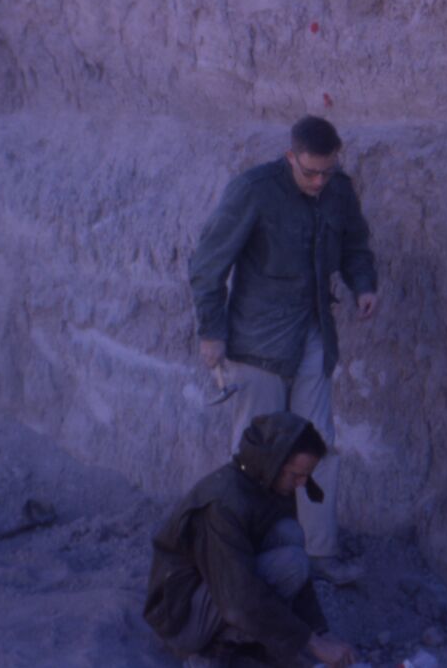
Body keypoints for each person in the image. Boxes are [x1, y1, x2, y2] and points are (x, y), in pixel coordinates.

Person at [189, 115, 378, 584]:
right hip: (257, 343)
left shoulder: (338, 189)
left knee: (320, 445)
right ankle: (238, 559)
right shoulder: (253, 190)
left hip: (314, 333)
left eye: (326, 172)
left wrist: (364, 284)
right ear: (290, 156)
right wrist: (211, 331)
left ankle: (320, 553)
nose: (318, 182)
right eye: (309, 172)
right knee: (253, 456)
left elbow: (355, 242)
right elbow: (207, 264)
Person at [144, 412, 359, 668]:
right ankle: (215, 647)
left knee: (290, 534)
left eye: (306, 476)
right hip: (182, 617)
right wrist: (311, 642)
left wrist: (321, 631)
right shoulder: (222, 504)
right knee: (290, 563)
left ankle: (249, 638)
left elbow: (293, 585)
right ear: (273, 462)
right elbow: (239, 598)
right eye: (297, 475)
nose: (302, 484)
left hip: (220, 587)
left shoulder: (271, 484)